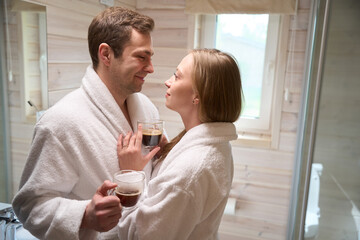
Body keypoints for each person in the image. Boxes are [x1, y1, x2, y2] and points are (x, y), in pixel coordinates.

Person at [12, 7, 162, 240]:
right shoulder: (60, 122)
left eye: (151, 57)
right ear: (106, 55)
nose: (151, 68)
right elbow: (29, 207)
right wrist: (84, 215)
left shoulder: (146, 108)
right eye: (142, 57)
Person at [115, 48, 243, 239]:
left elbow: (141, 235)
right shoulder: (215, 145)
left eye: (177, 76)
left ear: (197, 96)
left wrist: (132, 178)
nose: (168, 81)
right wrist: (166, 155)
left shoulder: (190, 171)